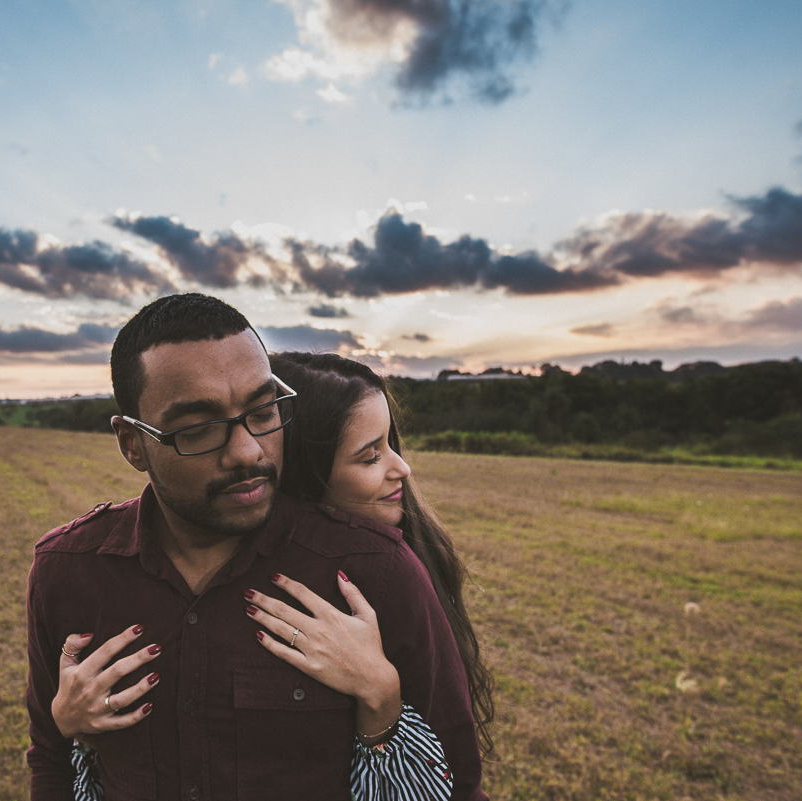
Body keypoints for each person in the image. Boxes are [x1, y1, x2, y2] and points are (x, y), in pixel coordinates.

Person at [25, 293, 485, 800]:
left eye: (263, 410)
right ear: (132, 444)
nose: (247, 451)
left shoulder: (374, 572)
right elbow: (50, 758)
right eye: (199, 427)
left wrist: (382, 706)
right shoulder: (66, 572)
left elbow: (457, 784)